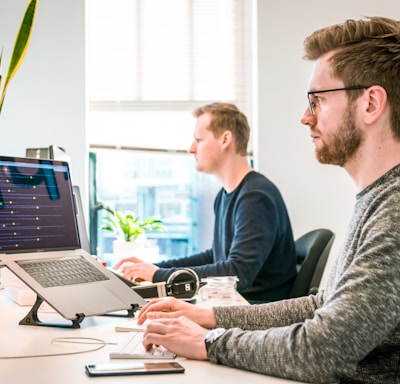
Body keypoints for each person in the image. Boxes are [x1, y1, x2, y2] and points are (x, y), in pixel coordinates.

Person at [135, 17, 400, 383]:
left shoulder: (394, 212)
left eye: (317, 100)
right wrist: (210, 318)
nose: (305, 117)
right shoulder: (376, 199)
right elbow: (321, 306)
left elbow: (324, 349)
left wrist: (210, 342)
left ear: (371, 103)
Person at [115, 102, 297, 303]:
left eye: (199, 140)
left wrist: (159, 276)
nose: (191, 149)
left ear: (225, 139)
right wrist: (156, 268)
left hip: (254, 312)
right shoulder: (226, 195)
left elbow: (237, 274)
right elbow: (216, 256)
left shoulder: (255, 197)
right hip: (233, 304)